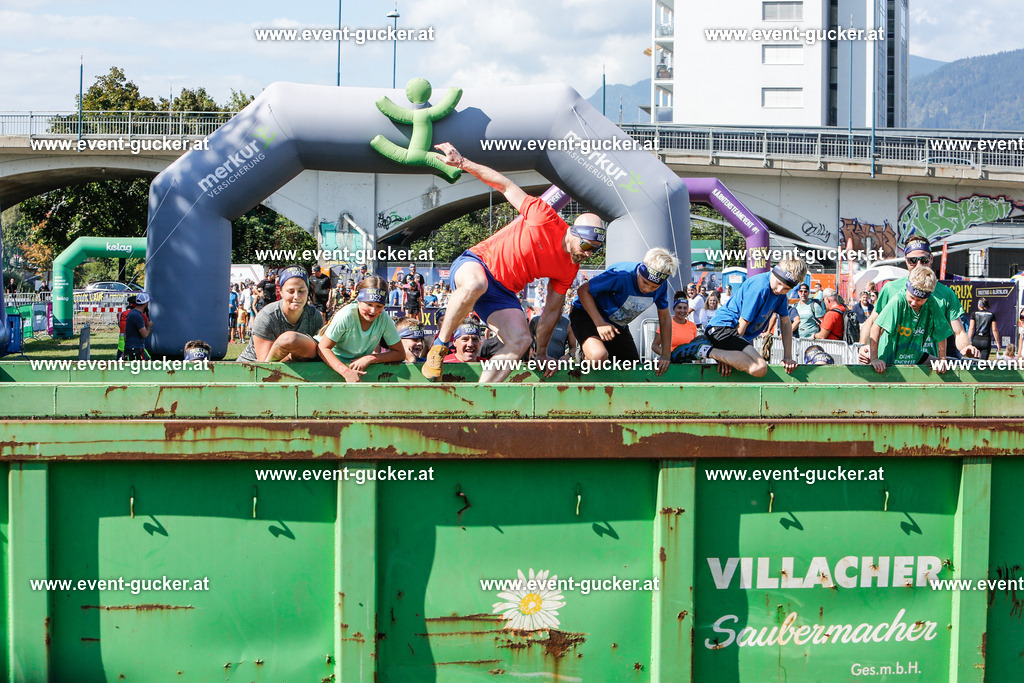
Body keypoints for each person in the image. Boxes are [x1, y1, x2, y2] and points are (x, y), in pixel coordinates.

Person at [423, 141, 604, 383]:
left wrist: (541, 353)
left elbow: (551, 310)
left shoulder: (570, 267)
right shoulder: (543, 216)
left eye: (595, 250)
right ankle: (439, 347)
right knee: (476, 284)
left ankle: (482, 399)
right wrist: (463, 163)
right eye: (586, 246)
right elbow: (505, 186)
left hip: (503, 292)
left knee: (521, 340)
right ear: (573, 233)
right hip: (478, 264)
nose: (588, 254)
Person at [673, 257, 807, 377]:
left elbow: (785, 322)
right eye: (778, 283)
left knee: (757, 367)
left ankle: (705, 348)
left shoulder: (780, 295)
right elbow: (742, 323)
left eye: (786, 289)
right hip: (722, 328)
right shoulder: (760, 287)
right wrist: (728, 354)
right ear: (774, 272)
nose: (779, 290)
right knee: (759, 367)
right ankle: (703, 349)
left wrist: (788, 357)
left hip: (733, 333)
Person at [859, 236, 978, 362]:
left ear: (931, 258)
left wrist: (966, 347)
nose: (919, 265)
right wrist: (863, 347)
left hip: (928, 366)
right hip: (891, 364)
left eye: (924, 259)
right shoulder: (891, 289)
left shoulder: (946, 294)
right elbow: (873, 322)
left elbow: (959, 332)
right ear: (906, 261)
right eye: (913, 260)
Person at [571, 248, 677, 374]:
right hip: (586, 313)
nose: (647, 289)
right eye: (645, 282)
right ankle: (585, 355)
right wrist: (600, 323)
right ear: (641, 271)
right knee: (598, 357)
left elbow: (665, 318)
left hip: (617, 325)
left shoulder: (662, 286)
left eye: (654, 287)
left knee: (632, 370)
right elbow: (583, 291)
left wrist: (665, 355)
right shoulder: (621, 274)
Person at [317, 276, 405, 382]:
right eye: (369, 304)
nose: (373, 310)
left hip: (356, 367)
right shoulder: (347, 315)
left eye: (379, 306)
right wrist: (346, 372)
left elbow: (400, 353)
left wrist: (370, 358)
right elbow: (322, 348)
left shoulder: (384, 319)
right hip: (329, 363)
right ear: (359, 300)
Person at [868, 266, 952, 373]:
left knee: (949, 369)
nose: (914, 303)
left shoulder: (931, 303)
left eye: (919, 300)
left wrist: (942, 359)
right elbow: (876, 326)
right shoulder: (898, 300)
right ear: (907, 287)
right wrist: (874, 358)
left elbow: (941, 333)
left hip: (915, 356)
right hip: (890, 358)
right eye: (911, 297)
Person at [237, 266, 324, 363]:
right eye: (291, 291)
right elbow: (265, 364)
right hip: (250, 369)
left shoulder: (314, 316)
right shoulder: (267, 317)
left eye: (301, 291)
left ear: (308, 291)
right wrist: (292, 355)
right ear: (281, 292)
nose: (296, 296)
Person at [123, 293, 153, 361]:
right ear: (146, 304)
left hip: (131, 346)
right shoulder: (137, 316)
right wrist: (149, 326)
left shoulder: (133, 313)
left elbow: (125, 331)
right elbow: (144, 334)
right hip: (136, 348)